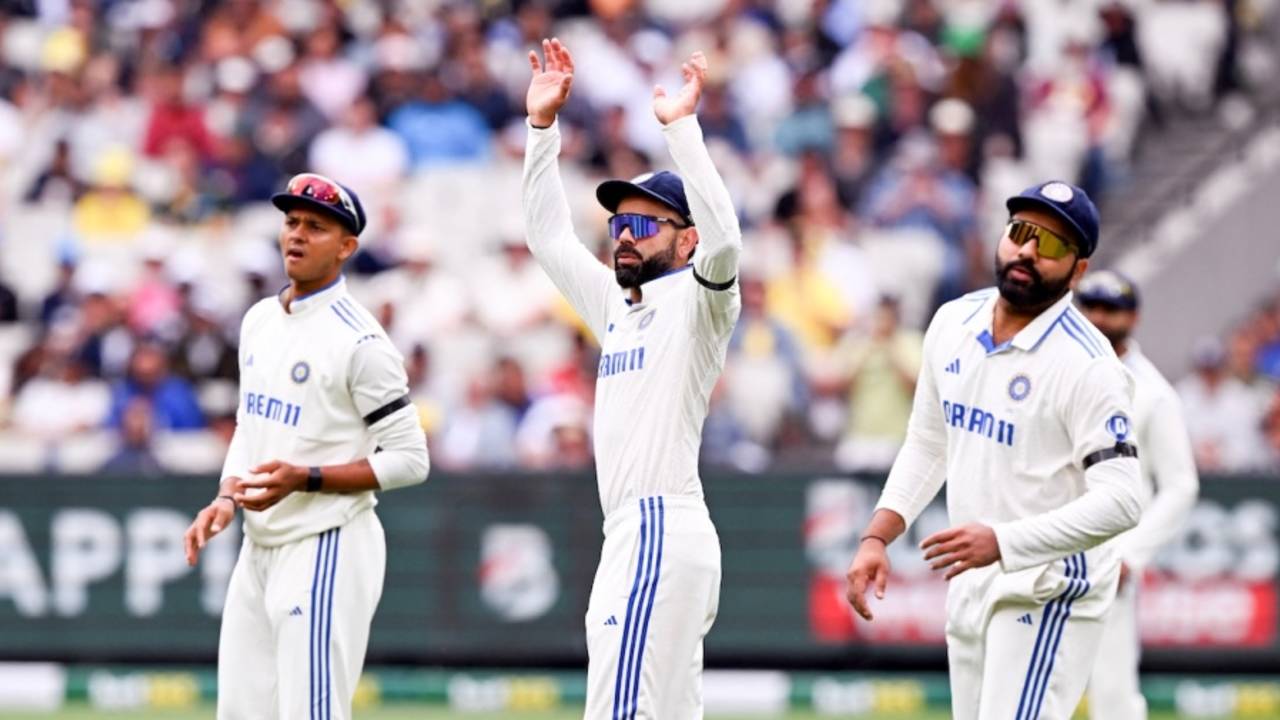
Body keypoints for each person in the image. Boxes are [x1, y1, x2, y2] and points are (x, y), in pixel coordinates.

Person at [844, 181, 1143, 720]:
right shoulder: (952, 322)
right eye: (1021, 232)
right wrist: (877, 536)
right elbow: (929, 442)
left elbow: (1123, 501)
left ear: (1078, 271)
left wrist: (1004, 541)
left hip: (1050, 586)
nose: (1028, 250)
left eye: (1051, 244)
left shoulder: (1091, 366)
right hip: (974, 579)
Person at [523, 39, 741, 719]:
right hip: (640, 531)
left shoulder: (702, 300)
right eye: (618, 220)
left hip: (656, 525)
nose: (624, 233)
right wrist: (541, 130)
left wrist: (681, 129)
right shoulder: (618, 305)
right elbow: (550, 239)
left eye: (644, 222)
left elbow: (728, 243)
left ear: (685, 239)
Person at [182, 172, 430, 720]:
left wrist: (308, 477)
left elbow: (411, 459)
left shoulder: (361, 343)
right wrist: (227, 495)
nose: (296, 235)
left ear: (346, 247)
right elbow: (251, 425)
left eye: (316, 227)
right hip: (259, 547)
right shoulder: (260, 320)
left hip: (326, 545)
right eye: (291, 222)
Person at [1077, 270, 1199, 720]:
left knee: (1111, 690)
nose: (1099, 318)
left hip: (1110, 553)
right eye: (1090, 306)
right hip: (1046, 544)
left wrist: (1132, 553)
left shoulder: (1153, 393)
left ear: (1134, 317)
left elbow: (1181, 485)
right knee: (1037, 680)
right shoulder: (1060, 371)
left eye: (1111, 309)